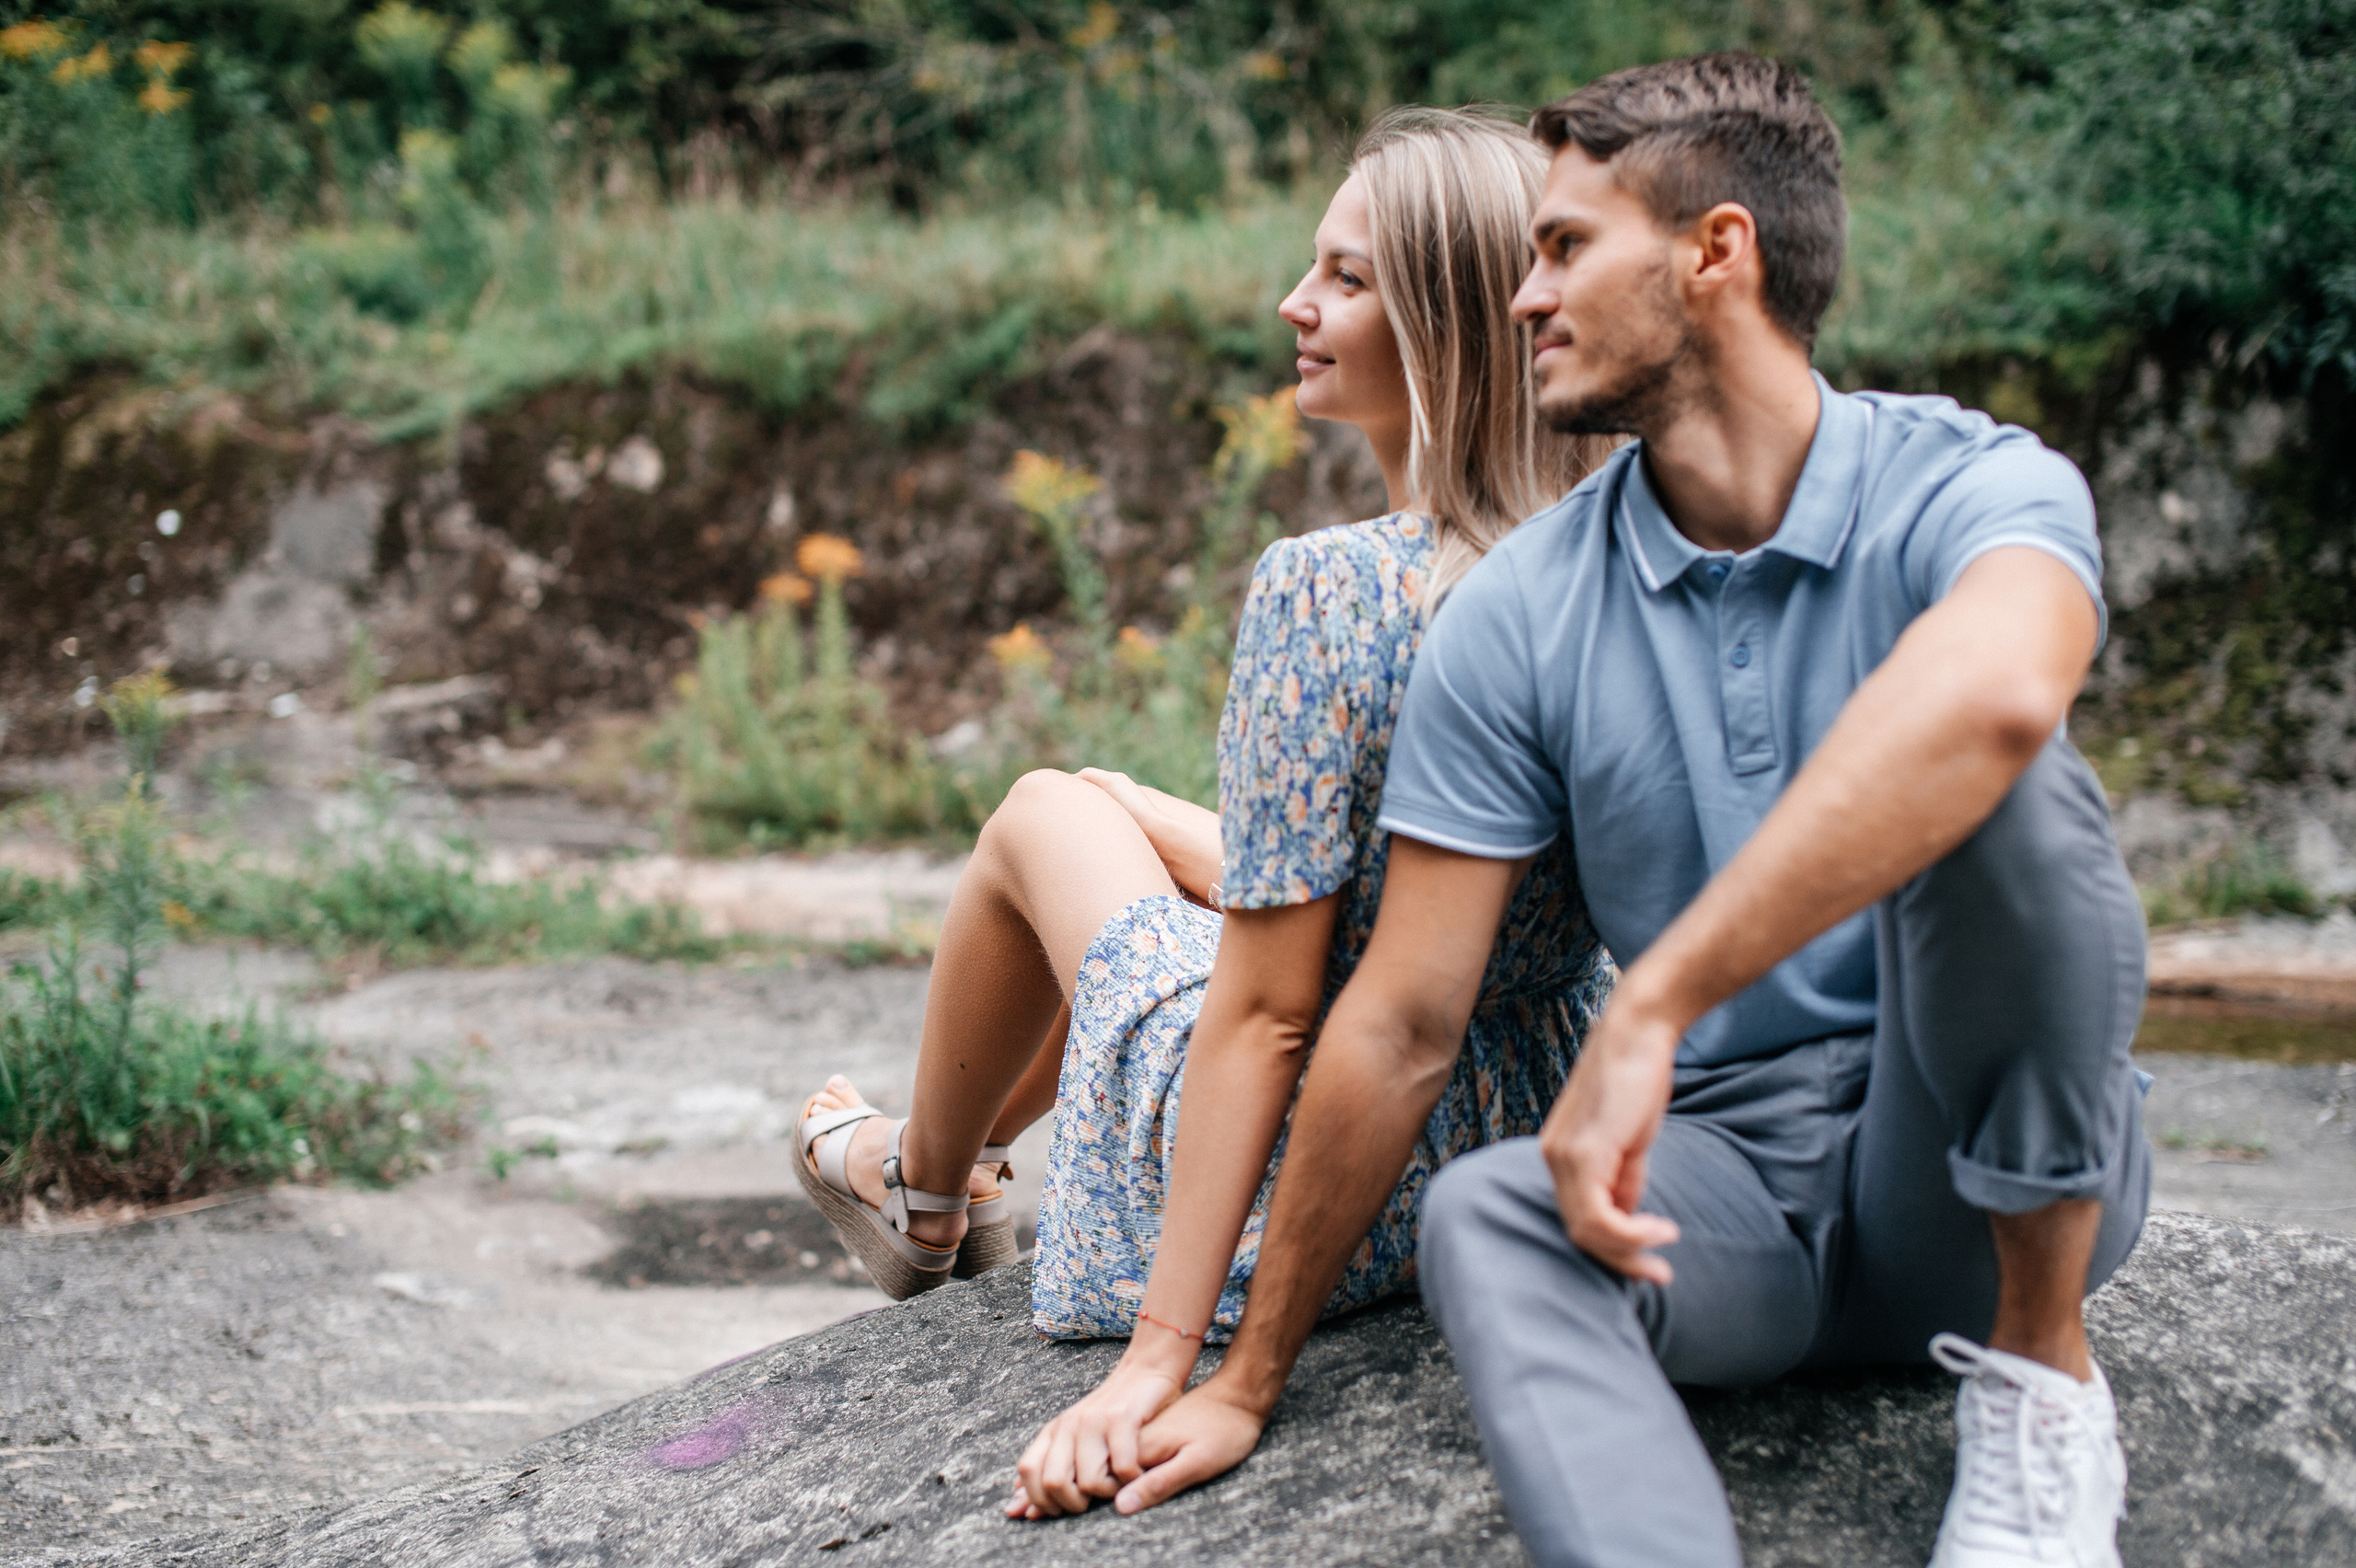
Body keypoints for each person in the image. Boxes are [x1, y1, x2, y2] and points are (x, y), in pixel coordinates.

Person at [1098, 52, 2154, 1568]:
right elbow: (1400, 1021)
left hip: (1979, 1202)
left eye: (1566, 248)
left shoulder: (1973, 487)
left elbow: (1996, 701)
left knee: (2017, 790)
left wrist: (1657, 999)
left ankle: (2046, 1393)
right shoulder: (1522, 611)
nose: (1524, 298)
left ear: (1717, 254)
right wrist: (1240, 1376)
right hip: (1718, 1218)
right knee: (1487, 1215)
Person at [788, 103, 1615, 1482]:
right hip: (1528, 1120)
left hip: (1331, 1171)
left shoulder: (1331, 590)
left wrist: (1169, 1359)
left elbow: (1276, 1009)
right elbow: (1421, 897)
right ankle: (932, 1171)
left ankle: (920, 1191)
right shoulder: (1616, 550)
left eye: (1348, 278)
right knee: (1118, 804)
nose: (1295, 304)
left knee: (1045, 812)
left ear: (1452, 323)